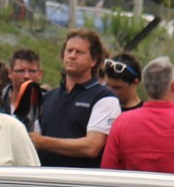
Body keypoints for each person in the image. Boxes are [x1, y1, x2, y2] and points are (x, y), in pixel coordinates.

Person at [30, 30, 119, 168]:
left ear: (94, 61)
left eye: (79, 52)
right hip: (45, 183)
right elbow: (32, 143)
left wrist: (43, 142)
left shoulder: (105, 99)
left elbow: (92, 147)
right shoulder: (47, 98)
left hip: (81, 184)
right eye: (69, 51)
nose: (72, 56)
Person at [0, 48, 43, 121]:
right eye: (20, 71)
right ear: (10, 73)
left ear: (40, 74)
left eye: (32, 71)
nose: (26, 76)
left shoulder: (47, 105)